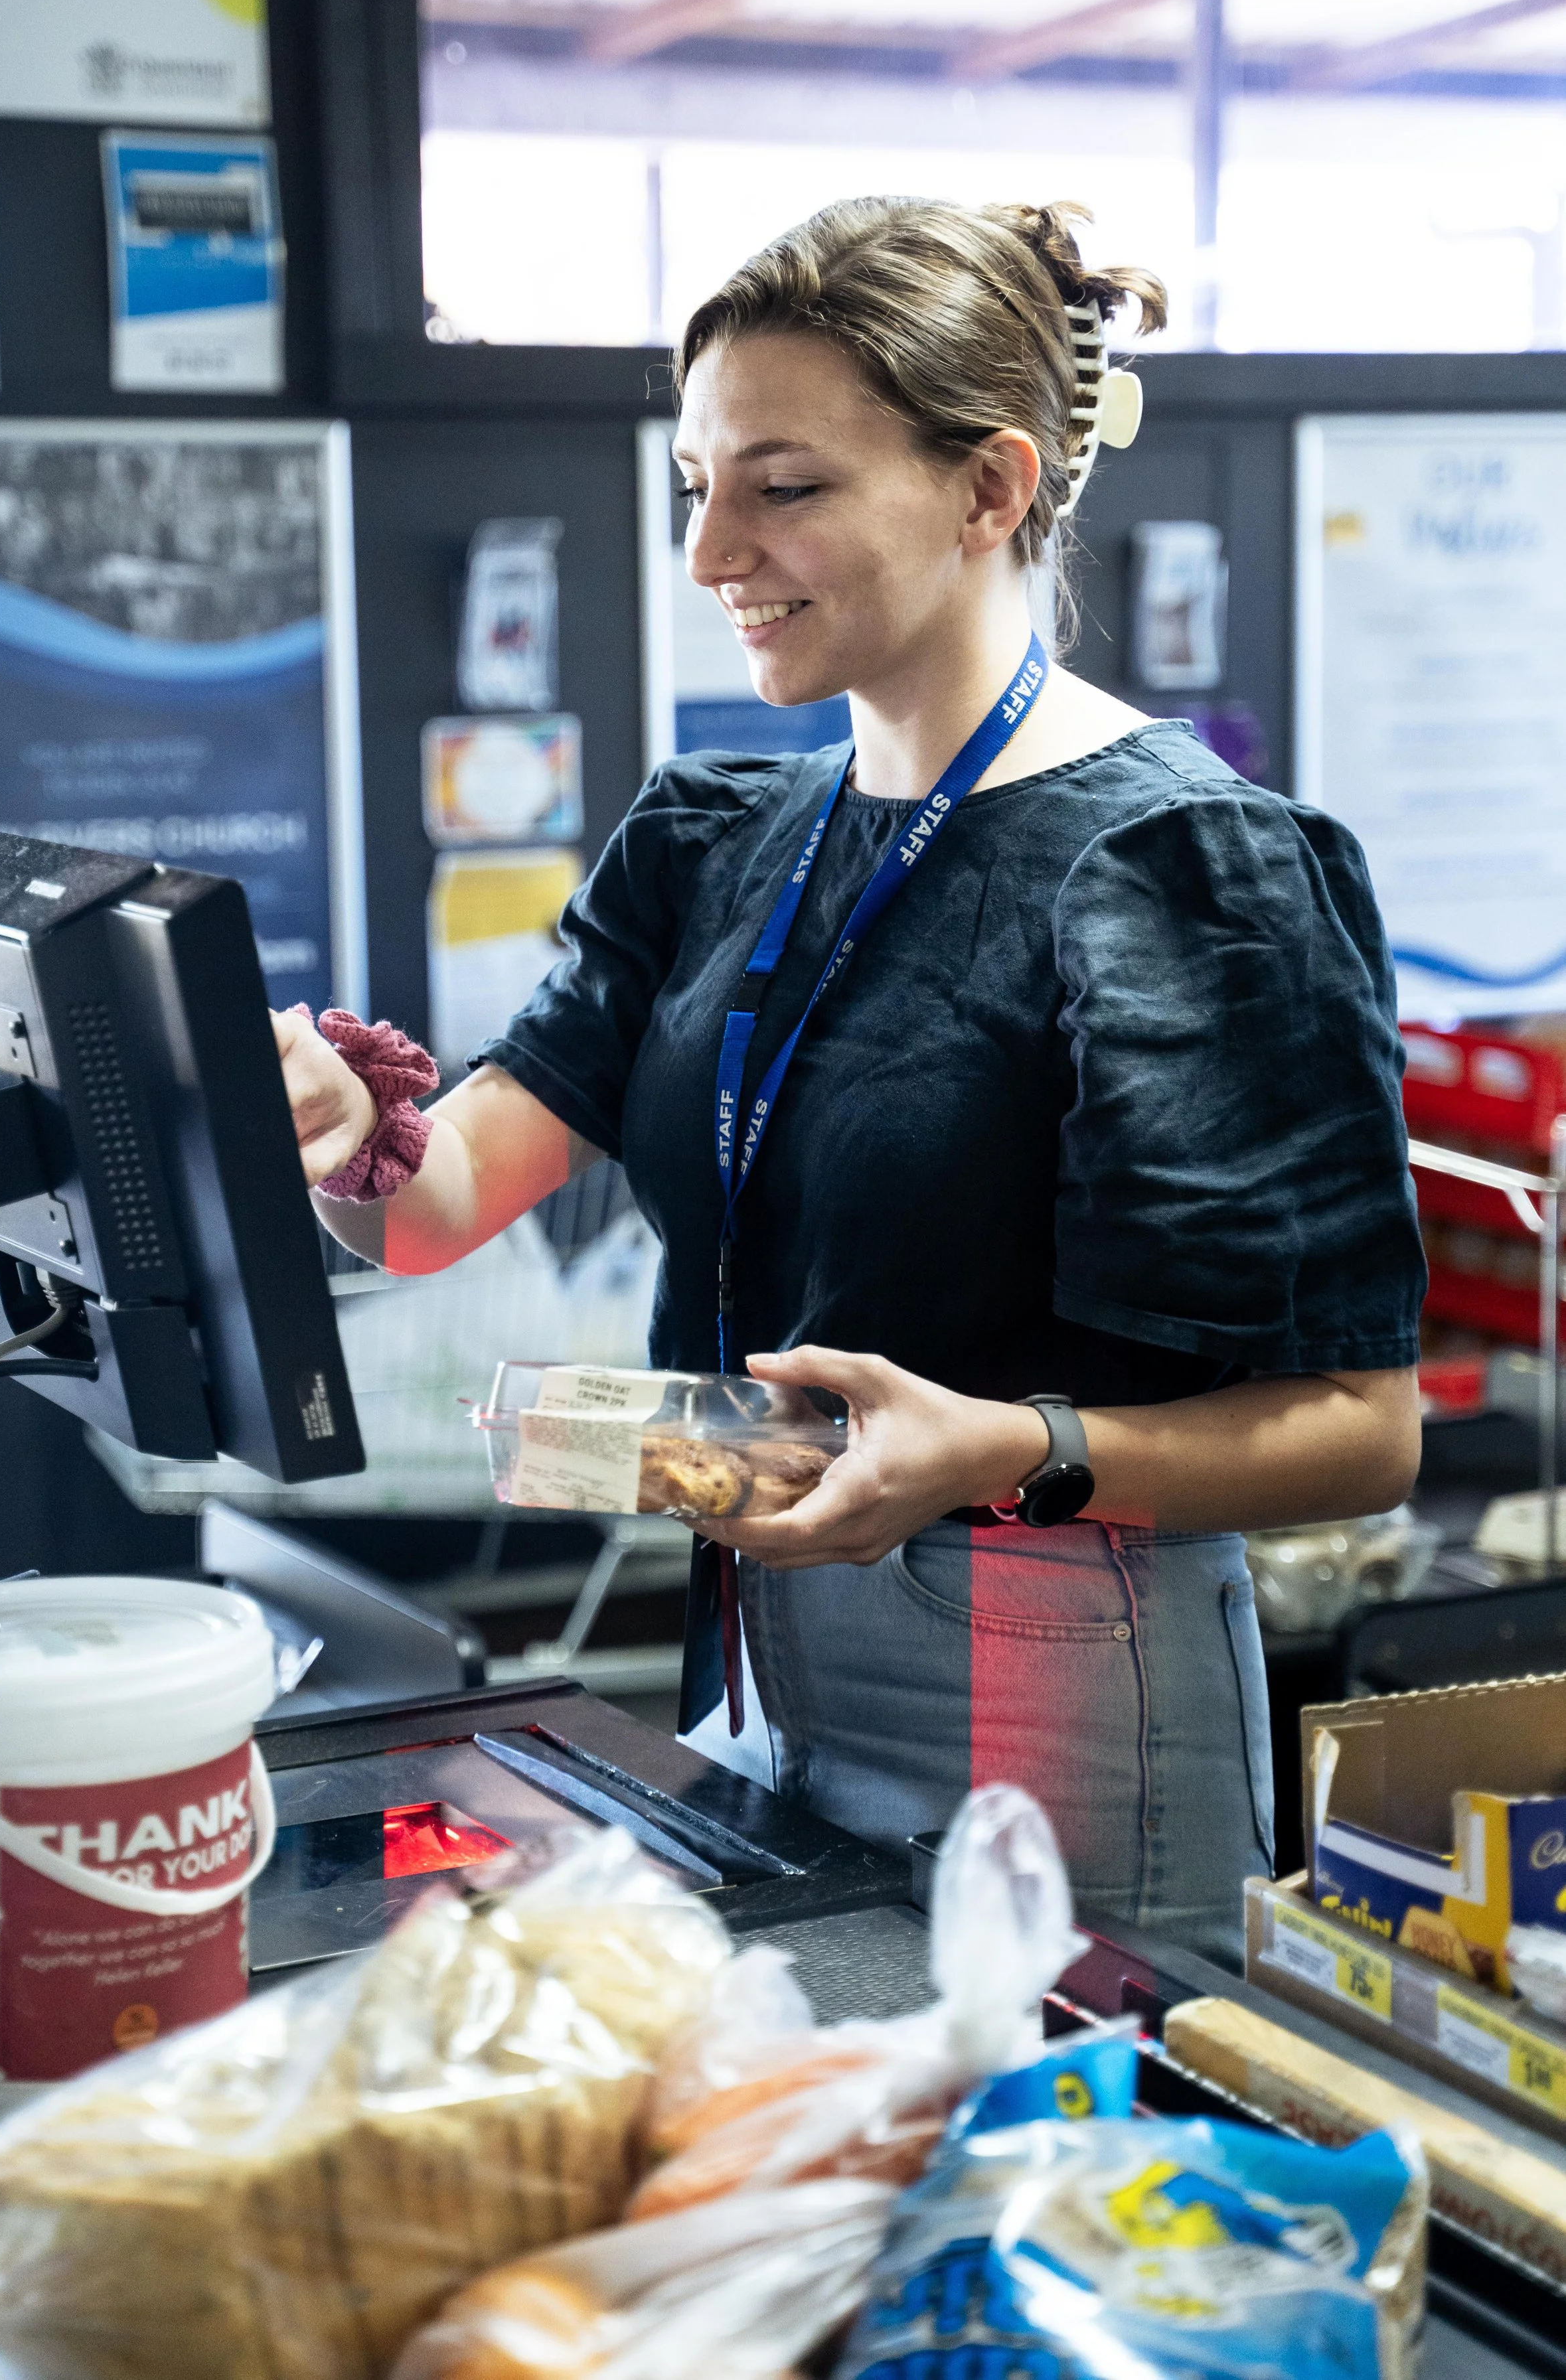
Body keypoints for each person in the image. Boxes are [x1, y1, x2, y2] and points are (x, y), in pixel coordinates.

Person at [277, 197, 1424, 1952]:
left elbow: (1361, 1431)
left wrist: (1002, 1444)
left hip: (1057, 1668)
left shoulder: (1183, 869)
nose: (710, 549)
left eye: (782, 484)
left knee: (1028, 2173)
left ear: (987, 488)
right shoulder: (716, 836)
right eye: (694, 482)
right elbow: (439, 1208)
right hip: (752, 1642)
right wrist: (351, 1134)